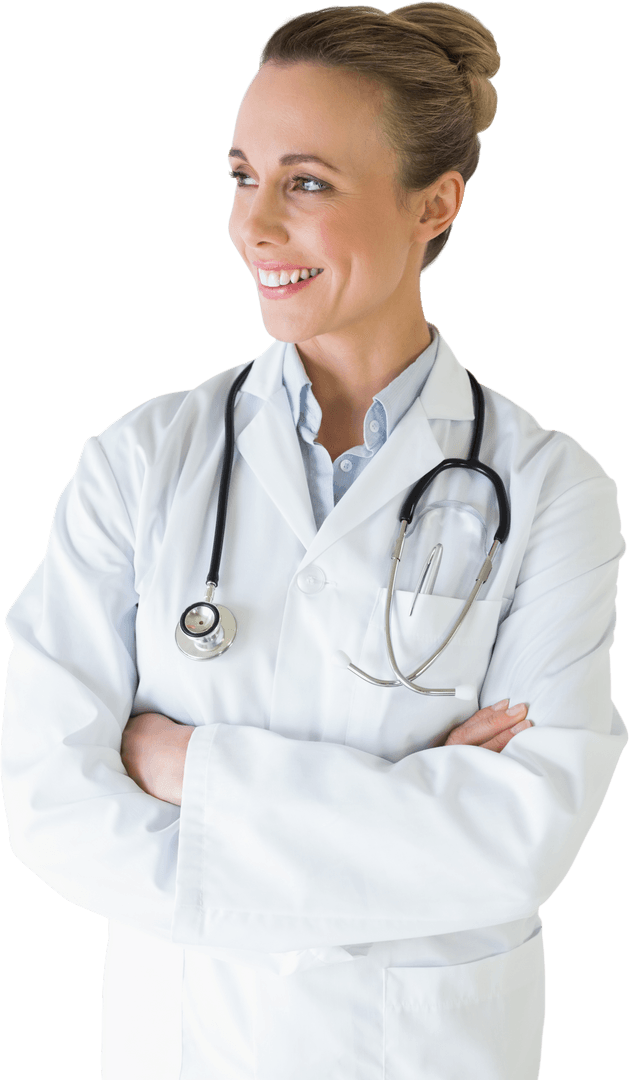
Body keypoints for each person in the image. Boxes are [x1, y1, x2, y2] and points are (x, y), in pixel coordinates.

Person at [2, 4, 626, 1078]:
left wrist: (187, 765)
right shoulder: (139, 462)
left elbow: (520, 839)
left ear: (433, 204)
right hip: (184, 1044)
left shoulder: (550, 489)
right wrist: (402, 814)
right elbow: (52, 807)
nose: (252, 226)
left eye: (307, 183)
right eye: (241, 175)